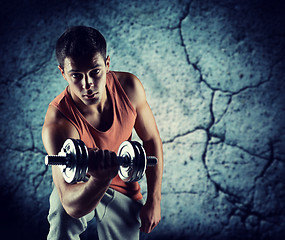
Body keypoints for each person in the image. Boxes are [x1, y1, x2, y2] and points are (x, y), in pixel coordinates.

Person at [42, 26, 163, 240]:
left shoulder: (129, 88)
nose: (88, 84)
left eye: (95, 72)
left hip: (123, 187)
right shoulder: (59, 122)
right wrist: (99, 179)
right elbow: (70, 203)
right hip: (80, 187)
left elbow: (151, 139)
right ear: (63, 73)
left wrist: (154, 199)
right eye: (76, 75)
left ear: (107, 64)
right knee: (62, 220)